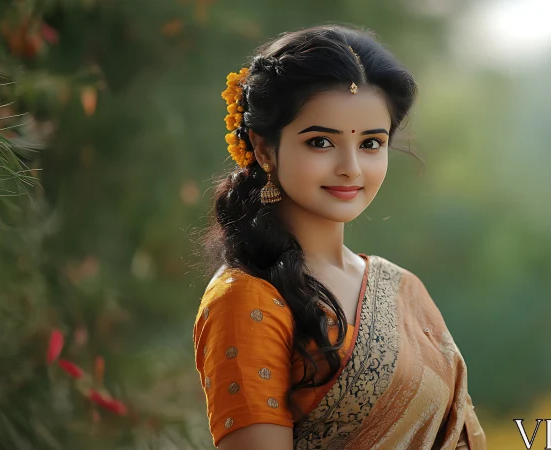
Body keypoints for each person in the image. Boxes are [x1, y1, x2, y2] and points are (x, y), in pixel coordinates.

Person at [194, 23, 487, 450]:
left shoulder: (402, 289)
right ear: (263, 149)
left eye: (371, 143)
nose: (351, 167)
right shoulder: (246, 300)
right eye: (320, 142)